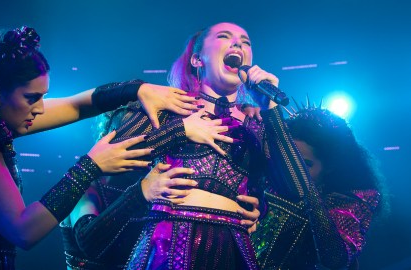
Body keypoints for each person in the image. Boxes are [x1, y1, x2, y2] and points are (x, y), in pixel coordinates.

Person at [0, 26, 201, 269]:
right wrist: (90, 166)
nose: (41, 109)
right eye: (32, 98)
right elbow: (24, 230)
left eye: (44, 96)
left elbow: (77, 106)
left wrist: (138, 89)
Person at [66, 21, 294, 270]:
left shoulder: (256, 121)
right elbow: (110, 155)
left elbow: (293, 189)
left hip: (232, 245)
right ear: (197, 60)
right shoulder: (169, 108)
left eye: (246, 41)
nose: (239, 43)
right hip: (169, 241)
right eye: (224, 36)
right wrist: (180, 130)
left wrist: (261, 205)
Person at [246, 101, 385, 269]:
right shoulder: (266, 180)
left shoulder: (352, 199)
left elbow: (335, 259)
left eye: (304, 164)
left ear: (330, 167)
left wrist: (304, 186)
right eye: (288, 160)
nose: (292, 169)